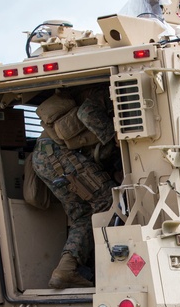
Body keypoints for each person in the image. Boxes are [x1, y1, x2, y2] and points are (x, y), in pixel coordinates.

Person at [32, 89, 117, 289]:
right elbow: (86, 112)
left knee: (83, 215)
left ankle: (65, 270)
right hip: (58, 157)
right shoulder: (103, 92)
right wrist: (113, 136)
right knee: (112, 200)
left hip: (44, 158)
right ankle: (113, 272)